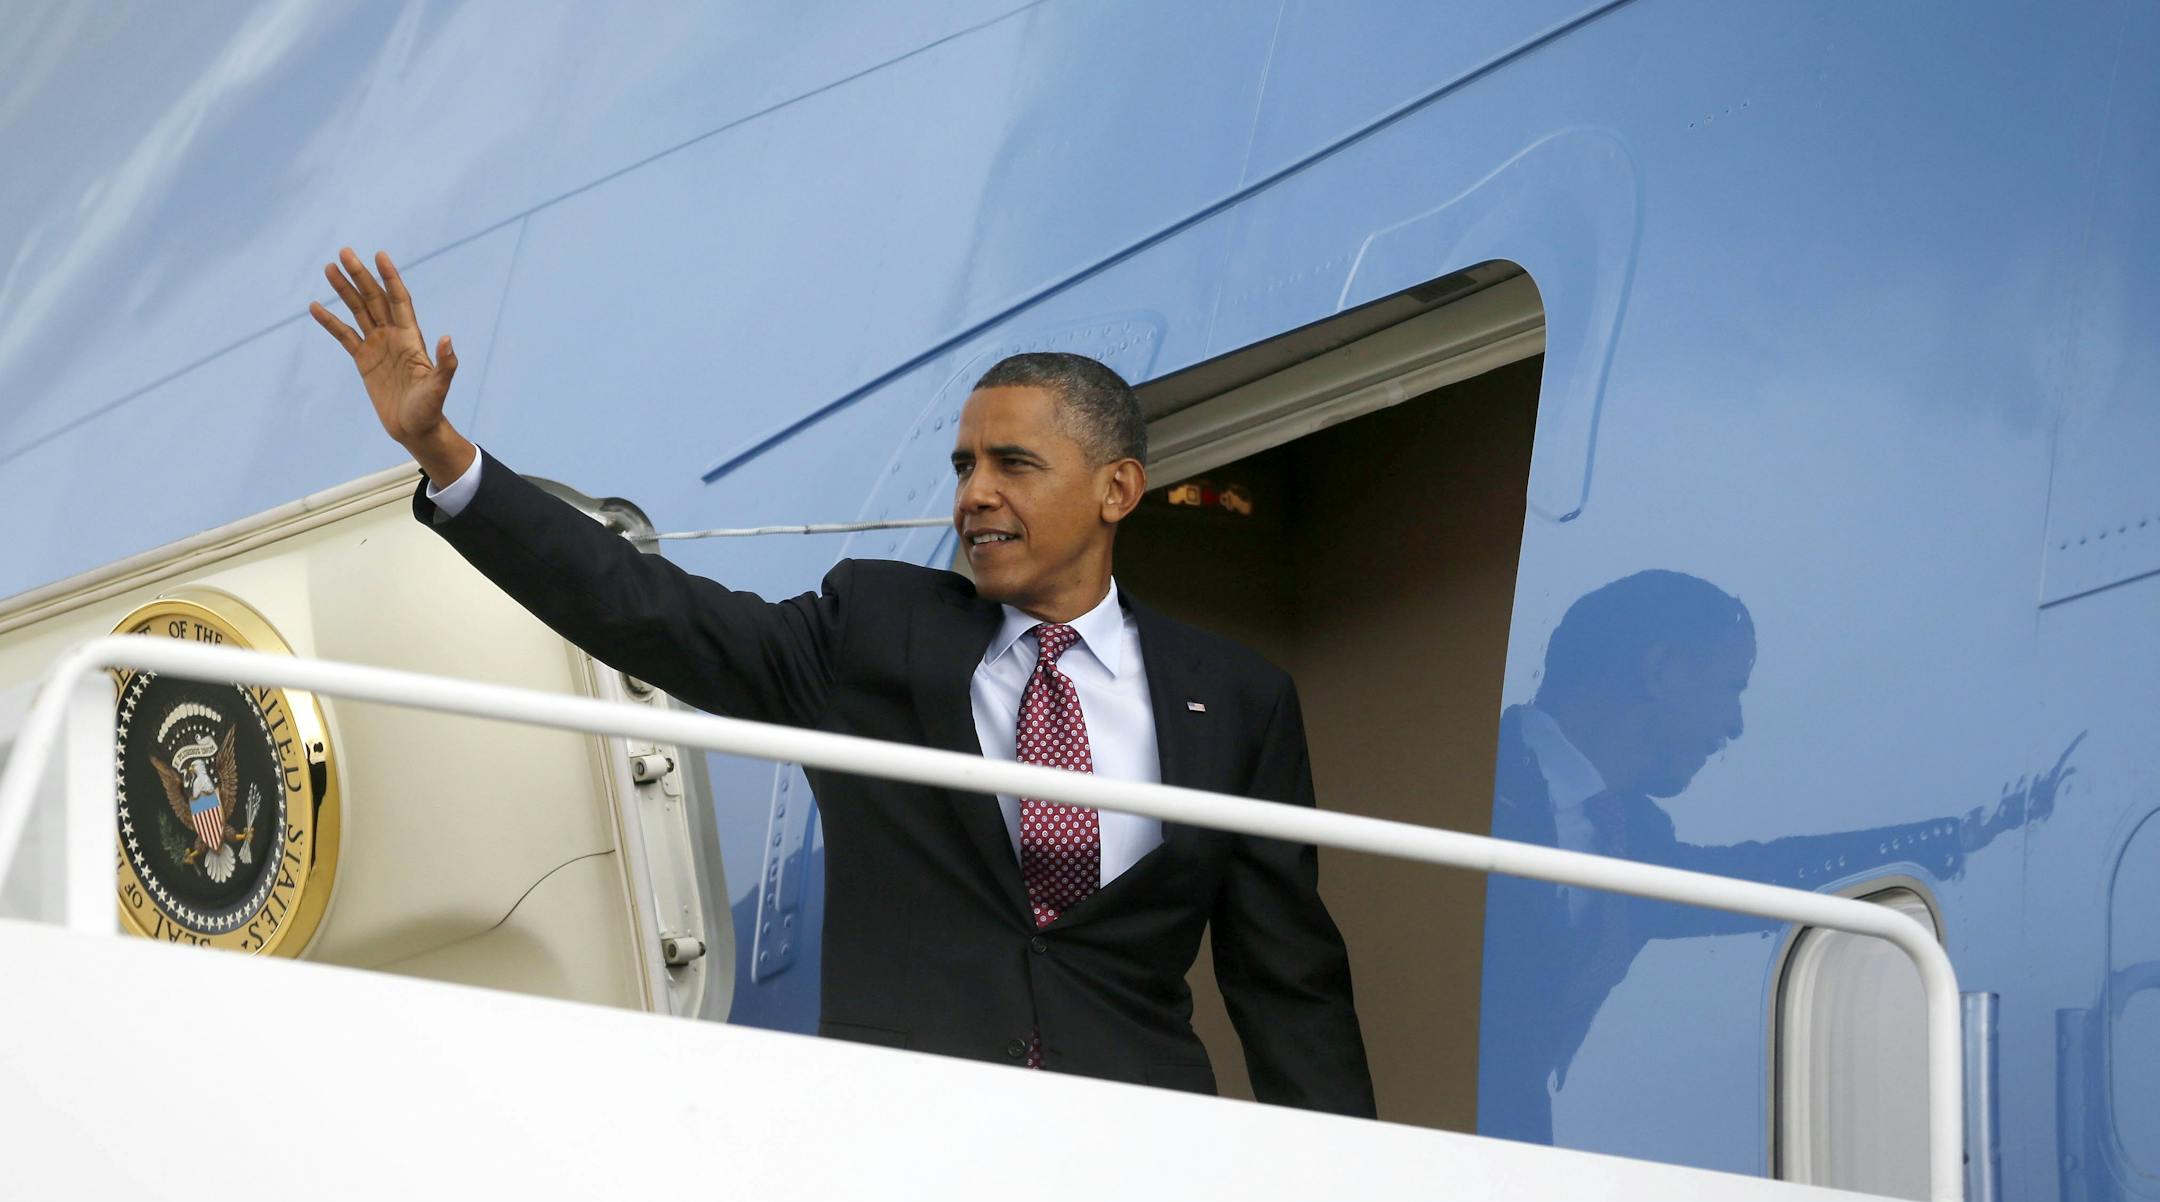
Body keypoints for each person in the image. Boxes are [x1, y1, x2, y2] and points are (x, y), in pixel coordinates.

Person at [311, 248, 1376, 1117]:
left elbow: (1288, 987)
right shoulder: (875, 630)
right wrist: (448, 457)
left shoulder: (1236, 699)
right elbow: (654, 615)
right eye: (964, 467)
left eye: (1013, 465)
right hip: (900, 1148)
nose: (975, 495)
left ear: (1118, 489)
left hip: (1142, 1157)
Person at [1479, 569, 2079, 1145]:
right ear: (1662, 670)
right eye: (1730, 688)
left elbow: (1762, 878)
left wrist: (1958, 836)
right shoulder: (1476, 783)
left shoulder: (1629, 834)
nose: (1735, 725)